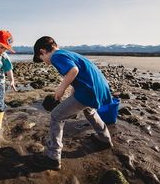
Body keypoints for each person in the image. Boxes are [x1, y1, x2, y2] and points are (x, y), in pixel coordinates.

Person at [31, 36, 113, 170]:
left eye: (42, 59)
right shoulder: (67, 53)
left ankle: (53, 157)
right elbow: (79, 75)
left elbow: (73, 70)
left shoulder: (56, 56)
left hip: (88, 91)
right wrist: (72, 93)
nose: (45, 63)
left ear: (43, 51)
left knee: (56, 116)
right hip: (98, 87)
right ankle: (104, 139)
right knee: (89, 110)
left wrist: (61, 88)